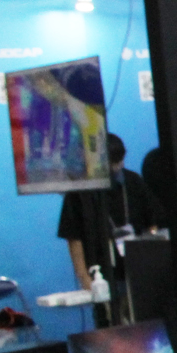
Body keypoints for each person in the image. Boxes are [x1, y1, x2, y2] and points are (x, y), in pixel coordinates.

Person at [57, 133, 160, 325]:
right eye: (114, 162)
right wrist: (84, 278)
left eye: (120, 161)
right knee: (109, 323)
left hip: (137, 270)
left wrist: (150, 261)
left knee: (142, 322)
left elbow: (152, 222)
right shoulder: (79, 191)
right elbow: (73, 238)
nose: (118, 166)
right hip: (101, 274)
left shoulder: (133, 181)